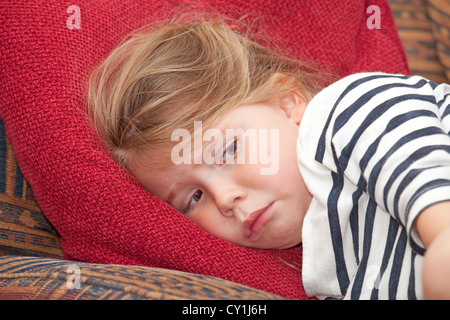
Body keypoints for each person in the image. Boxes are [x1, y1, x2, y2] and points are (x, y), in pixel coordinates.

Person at [87, 18, 450, 300]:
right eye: (193, 198)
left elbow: (416, 170)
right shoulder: (323, 268)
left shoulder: (345, 113)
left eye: (228, 149)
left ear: (287, 102)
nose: (225, 199)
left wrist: (441, 236)